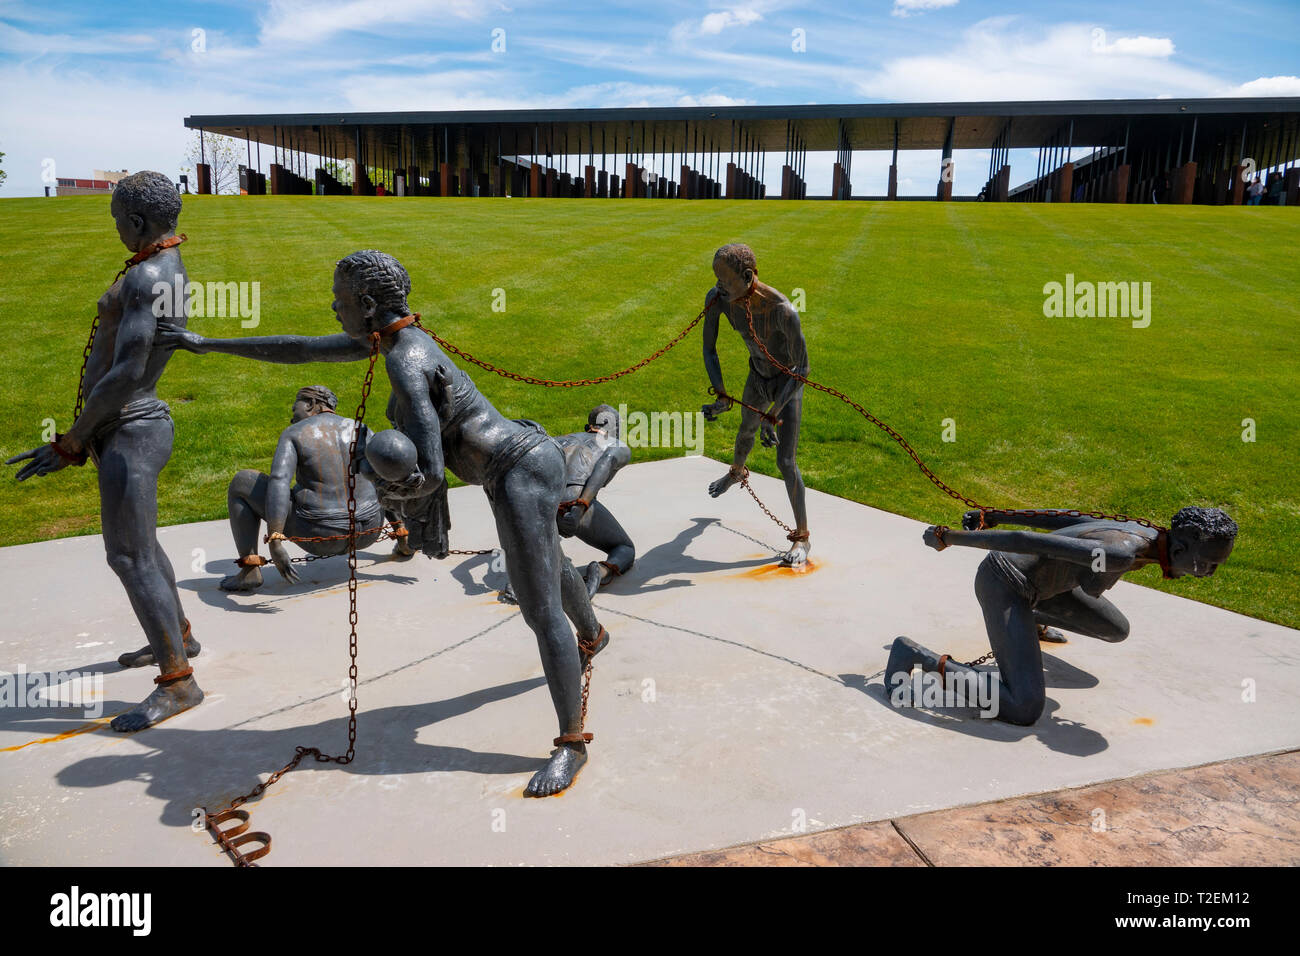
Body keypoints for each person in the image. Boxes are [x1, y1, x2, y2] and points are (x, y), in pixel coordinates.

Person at [158, 251, 609, 797]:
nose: (332, 308)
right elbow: (300, 350)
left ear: (368, 305)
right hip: (515, 463)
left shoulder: (405, 359)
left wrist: (380, 475)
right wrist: (206, 344)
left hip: (520, 470)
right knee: (546, 564)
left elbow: (433, 473)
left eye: (340, 301)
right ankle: (594, 634)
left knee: (540, 608)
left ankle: (572, 743)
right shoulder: (389, 337)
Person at [6, 171, 203, 730]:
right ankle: (180, 636)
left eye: (117, 217)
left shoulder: (149, 278)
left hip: (130, 427)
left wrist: (74, 437)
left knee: (127, 555)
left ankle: (178, 682)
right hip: (129, 426)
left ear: (137, 221)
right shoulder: (159, 267)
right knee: (143, 545)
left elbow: (127, 372)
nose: (114, 226)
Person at [886, 506, 1237, 725]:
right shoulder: (1120, 552)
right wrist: (948, 538)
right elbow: (1025, 542)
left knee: (1114, 629)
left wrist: (997, 513)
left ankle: (1030, 621)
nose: (1208, 574)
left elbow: (1066, 519)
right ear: (1178, 548)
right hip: (1006, 584)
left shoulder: (1148, 534)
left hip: (1048, 589)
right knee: (1023, 708)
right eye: (1206, 564)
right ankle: (917, 656)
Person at [700, 243, 812, 565]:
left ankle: (802, 538)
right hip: (757, 376)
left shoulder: (782, 311)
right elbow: (710, 350)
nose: (719, 286)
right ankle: (737, 471)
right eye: (716, 279)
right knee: (745, 431)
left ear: (748, 277)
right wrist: (721, 394)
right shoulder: (718, 300)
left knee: (786, 462)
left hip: (786, 383)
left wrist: (774, 412)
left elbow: (803, 368)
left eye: (725, 280)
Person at [217, 385, 387, 592]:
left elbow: (279, 481)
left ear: (310, 404)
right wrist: (399, 530)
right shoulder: (362, 429)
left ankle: (249, 570)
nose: (292, 417)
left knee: (242, 481)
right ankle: (404, 538)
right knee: (381, 469)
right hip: (370, 530)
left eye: (294, 409)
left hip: (320, 535)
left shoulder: (294, 433)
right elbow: (387, 477)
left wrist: (275, 542)